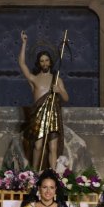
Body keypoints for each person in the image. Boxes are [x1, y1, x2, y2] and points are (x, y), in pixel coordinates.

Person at [18, 30, 69, 170]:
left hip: (53, 115)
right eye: (42, 61)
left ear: (50, 62)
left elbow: (66, 98)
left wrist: (60, 90)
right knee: (38, 145)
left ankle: (52, 175)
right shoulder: (34, 79)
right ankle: (34, 174)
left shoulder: (57, 79)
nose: (44, 63)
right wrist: (24, 44)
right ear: (39, 63)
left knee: (52, 146)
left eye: (47, 60)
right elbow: (22, 64)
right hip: (38, 116)